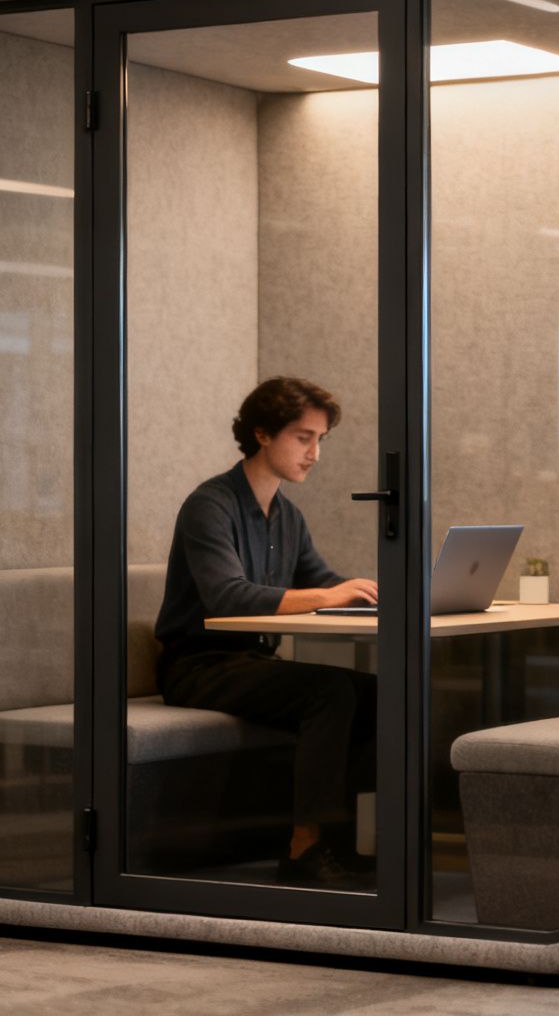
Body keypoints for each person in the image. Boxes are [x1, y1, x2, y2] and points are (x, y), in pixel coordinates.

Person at [152, 376, 380, 887]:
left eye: (320, 439)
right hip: (197, 666)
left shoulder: (288, 517)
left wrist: (377, 594)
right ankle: (303, 848)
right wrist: (330, 596)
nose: (314, 453)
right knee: (329, 691)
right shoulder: (209, 506)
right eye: (303, 437)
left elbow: (320, 582)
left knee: (378, 695)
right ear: (262, 434)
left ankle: (337, 839)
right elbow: (228, 597)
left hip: (253, 663)